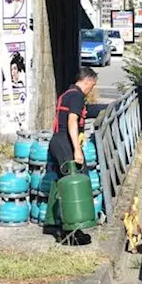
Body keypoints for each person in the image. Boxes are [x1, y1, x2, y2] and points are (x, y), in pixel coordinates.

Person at [44, 66, 97, 244]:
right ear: (87, 80)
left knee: (64, 185)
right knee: (75, 186)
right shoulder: (76, 96)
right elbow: (72, 122)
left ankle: (59, 226)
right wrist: (77, 149)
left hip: (58, 142)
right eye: (92, 85)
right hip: (65, 143)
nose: (92, 89)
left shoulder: (67, 93)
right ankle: (70, 232)